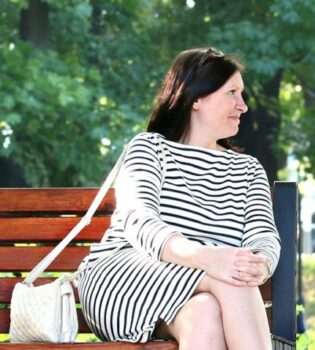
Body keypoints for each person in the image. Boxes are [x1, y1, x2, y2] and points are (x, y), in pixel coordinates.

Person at [77, 47, 278, 350]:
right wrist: (206, 257)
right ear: (197, 97)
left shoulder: (247, 170)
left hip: (203, 290)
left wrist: (259, 264)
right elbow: (137, 220)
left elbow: (263, 235)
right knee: (231, 276)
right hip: (127, 279)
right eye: (232, 93)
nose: (243, 106)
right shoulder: (150, 148)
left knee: (205, 315)